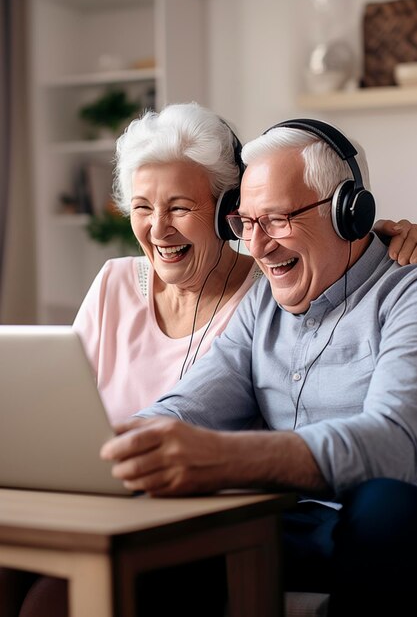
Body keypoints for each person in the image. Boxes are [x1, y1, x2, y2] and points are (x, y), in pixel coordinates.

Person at [1, 106, 416, 617]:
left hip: (372, 528)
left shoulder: (406, 295)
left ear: (346, 212)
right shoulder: (266, 302)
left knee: (387, 506)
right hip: (274, 525)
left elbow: (393, 441)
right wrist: (116, 450)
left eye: (278, 220)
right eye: (247, 223)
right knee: (58, 599)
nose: (259, 247)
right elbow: (188, 404)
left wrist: (229, 458)